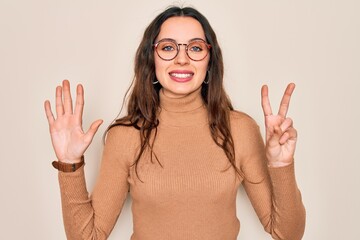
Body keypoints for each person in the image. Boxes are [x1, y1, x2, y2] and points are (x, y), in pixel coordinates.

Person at [44, 6, 305, 240]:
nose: (182, 59)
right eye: (168, 47)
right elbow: (88, 237)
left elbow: (287, 233)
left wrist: (281, 164)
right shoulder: (126, 136)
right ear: (151, 58)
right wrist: (69, 165)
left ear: (209, 60)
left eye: (195, 47)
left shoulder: (240, 130)